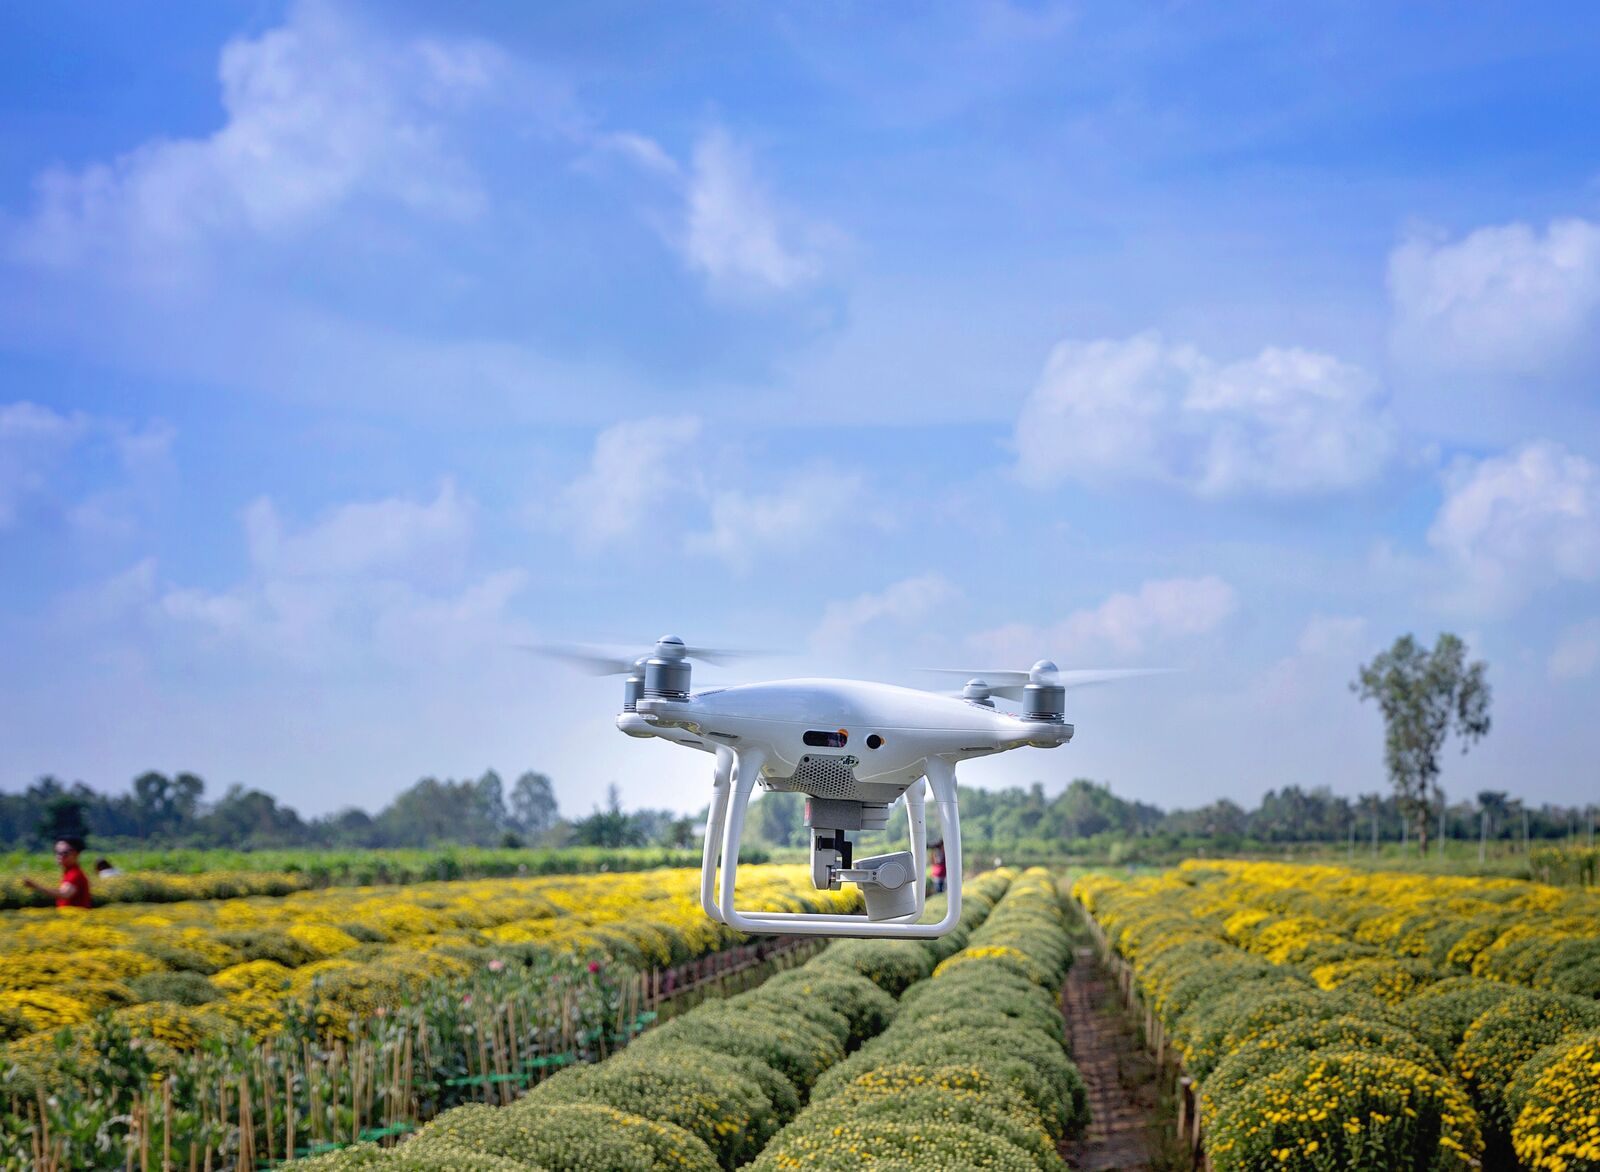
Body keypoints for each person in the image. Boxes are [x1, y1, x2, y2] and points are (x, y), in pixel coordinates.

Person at [24, 837, 93, 908]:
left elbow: (64, 894)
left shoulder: (75, 874)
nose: (59, 856)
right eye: (57, 852)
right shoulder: (69, 873)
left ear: (75, 854)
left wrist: (36, 886)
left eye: (64, 853)